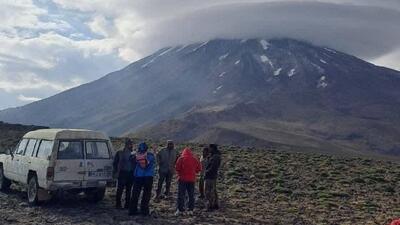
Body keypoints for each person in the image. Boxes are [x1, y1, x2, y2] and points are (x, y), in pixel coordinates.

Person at [129, 142, 156, 216]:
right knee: (146, 194)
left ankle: (132, 210)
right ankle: (144, 211)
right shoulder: (150, 155)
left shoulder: (135, 155)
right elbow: (154, 163)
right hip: (148, 177)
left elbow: (131, 162)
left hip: (138, 176)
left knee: (135, 194)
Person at [175, 147, 202, 216]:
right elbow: (199, 168)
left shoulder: (181, 159)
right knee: (191, 195)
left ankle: (180, 209)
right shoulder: (194, 159)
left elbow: (177, 168)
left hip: (182, 179)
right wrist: (193, 172)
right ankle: (190, 209)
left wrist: (181, 173)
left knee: (181, 194)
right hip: (192, 180)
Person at [113, 139, 135, 209]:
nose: (131, 145)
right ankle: (118, 204)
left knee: (129, 190)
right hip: (122, 173)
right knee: (120, 189)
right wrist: (116, 172)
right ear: (126, 144)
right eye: (130, 144)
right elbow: (115, 163)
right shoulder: (120, 152)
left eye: (131, 144)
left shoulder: (134, 153)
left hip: (131, 173)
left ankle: (127, 205)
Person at [205, 144, 221, 211]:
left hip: (211, 176)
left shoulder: (215, 156)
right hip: (212, 176)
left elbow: (213, 167)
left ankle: (211, 205)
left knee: (209, 191)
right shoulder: (214, 156)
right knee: (213, 191)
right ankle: (215, 204)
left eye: (210, 148)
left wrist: (206, 172)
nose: (209, 149)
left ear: (212, 148)